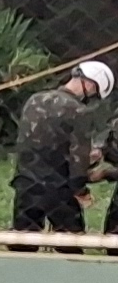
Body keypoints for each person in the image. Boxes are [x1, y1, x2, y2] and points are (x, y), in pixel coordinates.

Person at [9, 58, 114, 244]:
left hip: (25, 185)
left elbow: (36, 143)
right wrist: (81, 189)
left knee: (22, 245)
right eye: (94, 94)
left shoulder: (34, 100)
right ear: (90, 85)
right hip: (58, 190)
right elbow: (77, 161)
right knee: (71, 247)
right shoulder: (78, 111)